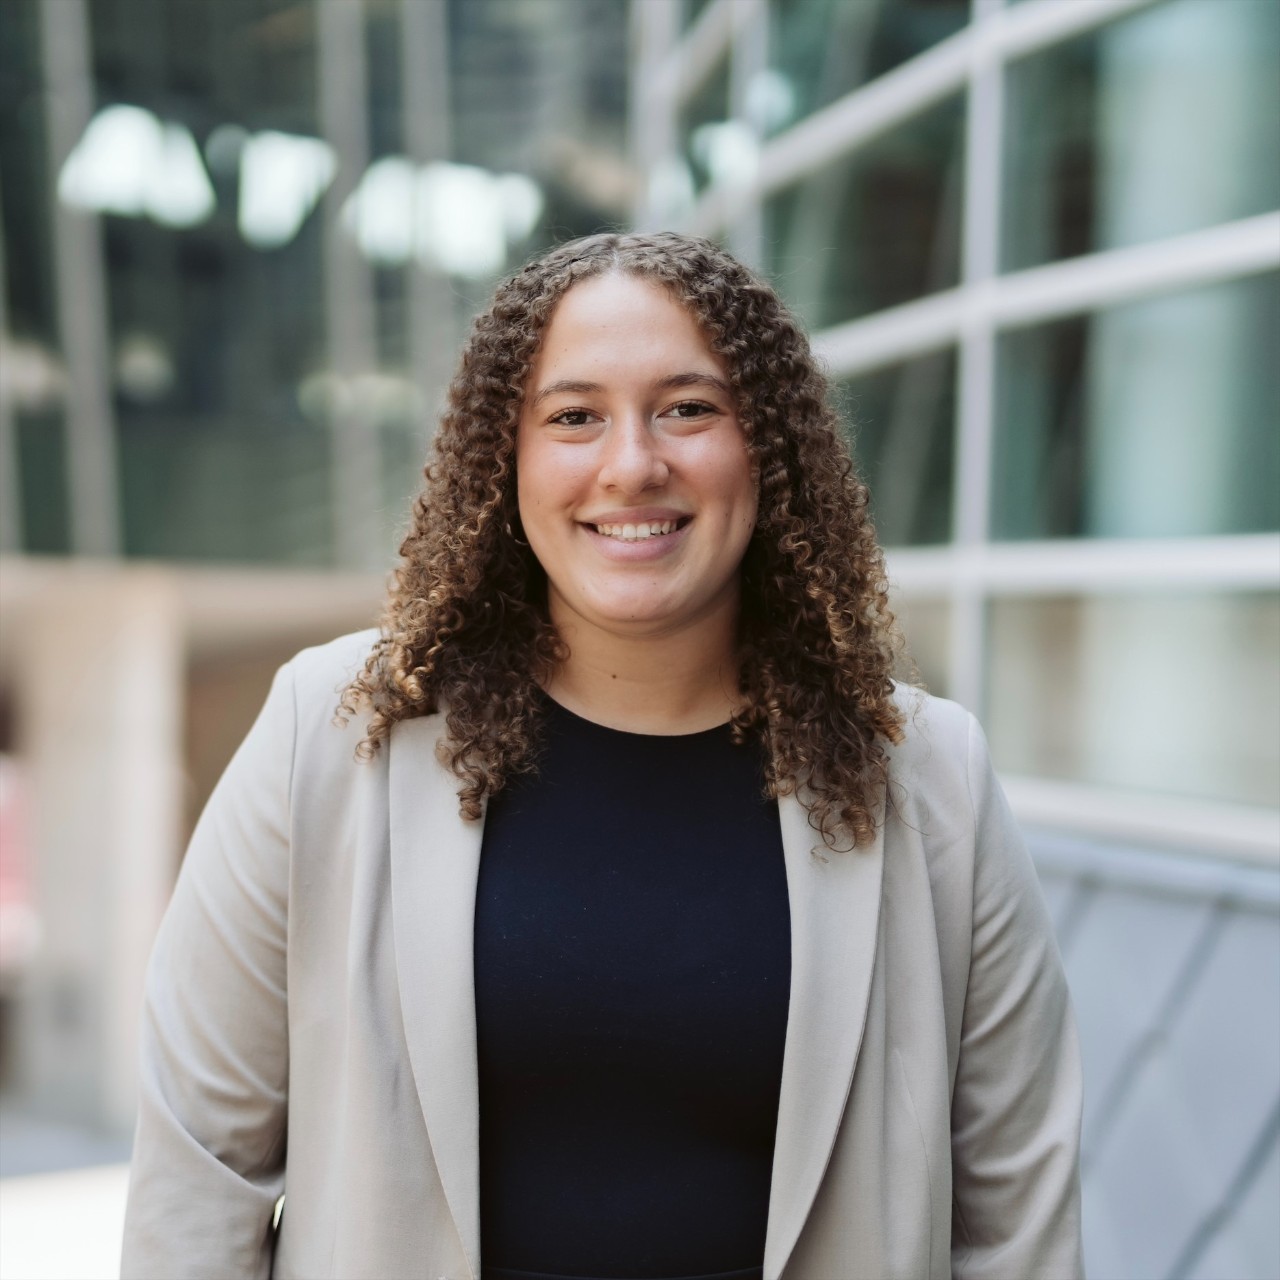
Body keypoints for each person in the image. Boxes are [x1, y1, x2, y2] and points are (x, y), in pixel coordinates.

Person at [121, 232, 1083, 1280]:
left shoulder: (928, 776)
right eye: (574, 416)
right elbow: (198, 1169)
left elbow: (1016, 1215)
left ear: (768, 447)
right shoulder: (334, 730)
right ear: (506, 459)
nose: (632, 465)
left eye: (688, 408)